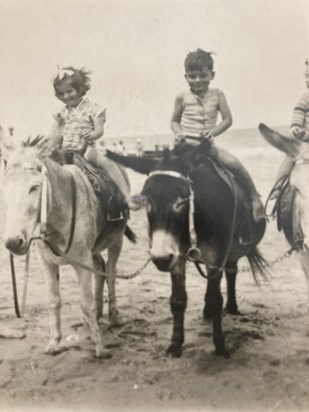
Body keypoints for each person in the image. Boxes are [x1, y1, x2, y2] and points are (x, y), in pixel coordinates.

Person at [171, 48, 265, 221]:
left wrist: (212, 133)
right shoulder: (181, 97)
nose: (197, 80)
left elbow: (228, 120)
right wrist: (178, 133)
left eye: (203, 75)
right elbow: (174, 121)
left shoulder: (218, 94)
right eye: (192, 76)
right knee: (163, 175)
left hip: (206, 147)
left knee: (234, 164)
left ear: (212, 75)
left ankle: (254, 198)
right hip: (184, 147)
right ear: (186, 77)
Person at [49, 66, 137, 210]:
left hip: (85, 148)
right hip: (64, 150)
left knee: (106, 162)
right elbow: (57, 134)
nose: (66, 96)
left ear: (80, 89)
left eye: (69, 91)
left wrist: (92, 135)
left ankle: (127, 197)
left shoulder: (93, 108)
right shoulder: (62, 112)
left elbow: (99, 130)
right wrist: (58, 124)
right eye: (61, 94)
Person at [270, 90, 309, 199]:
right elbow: (298, 114)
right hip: (304, 141)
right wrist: (296, 128)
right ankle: (277, 187)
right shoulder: (306, 98)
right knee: (290, 157)